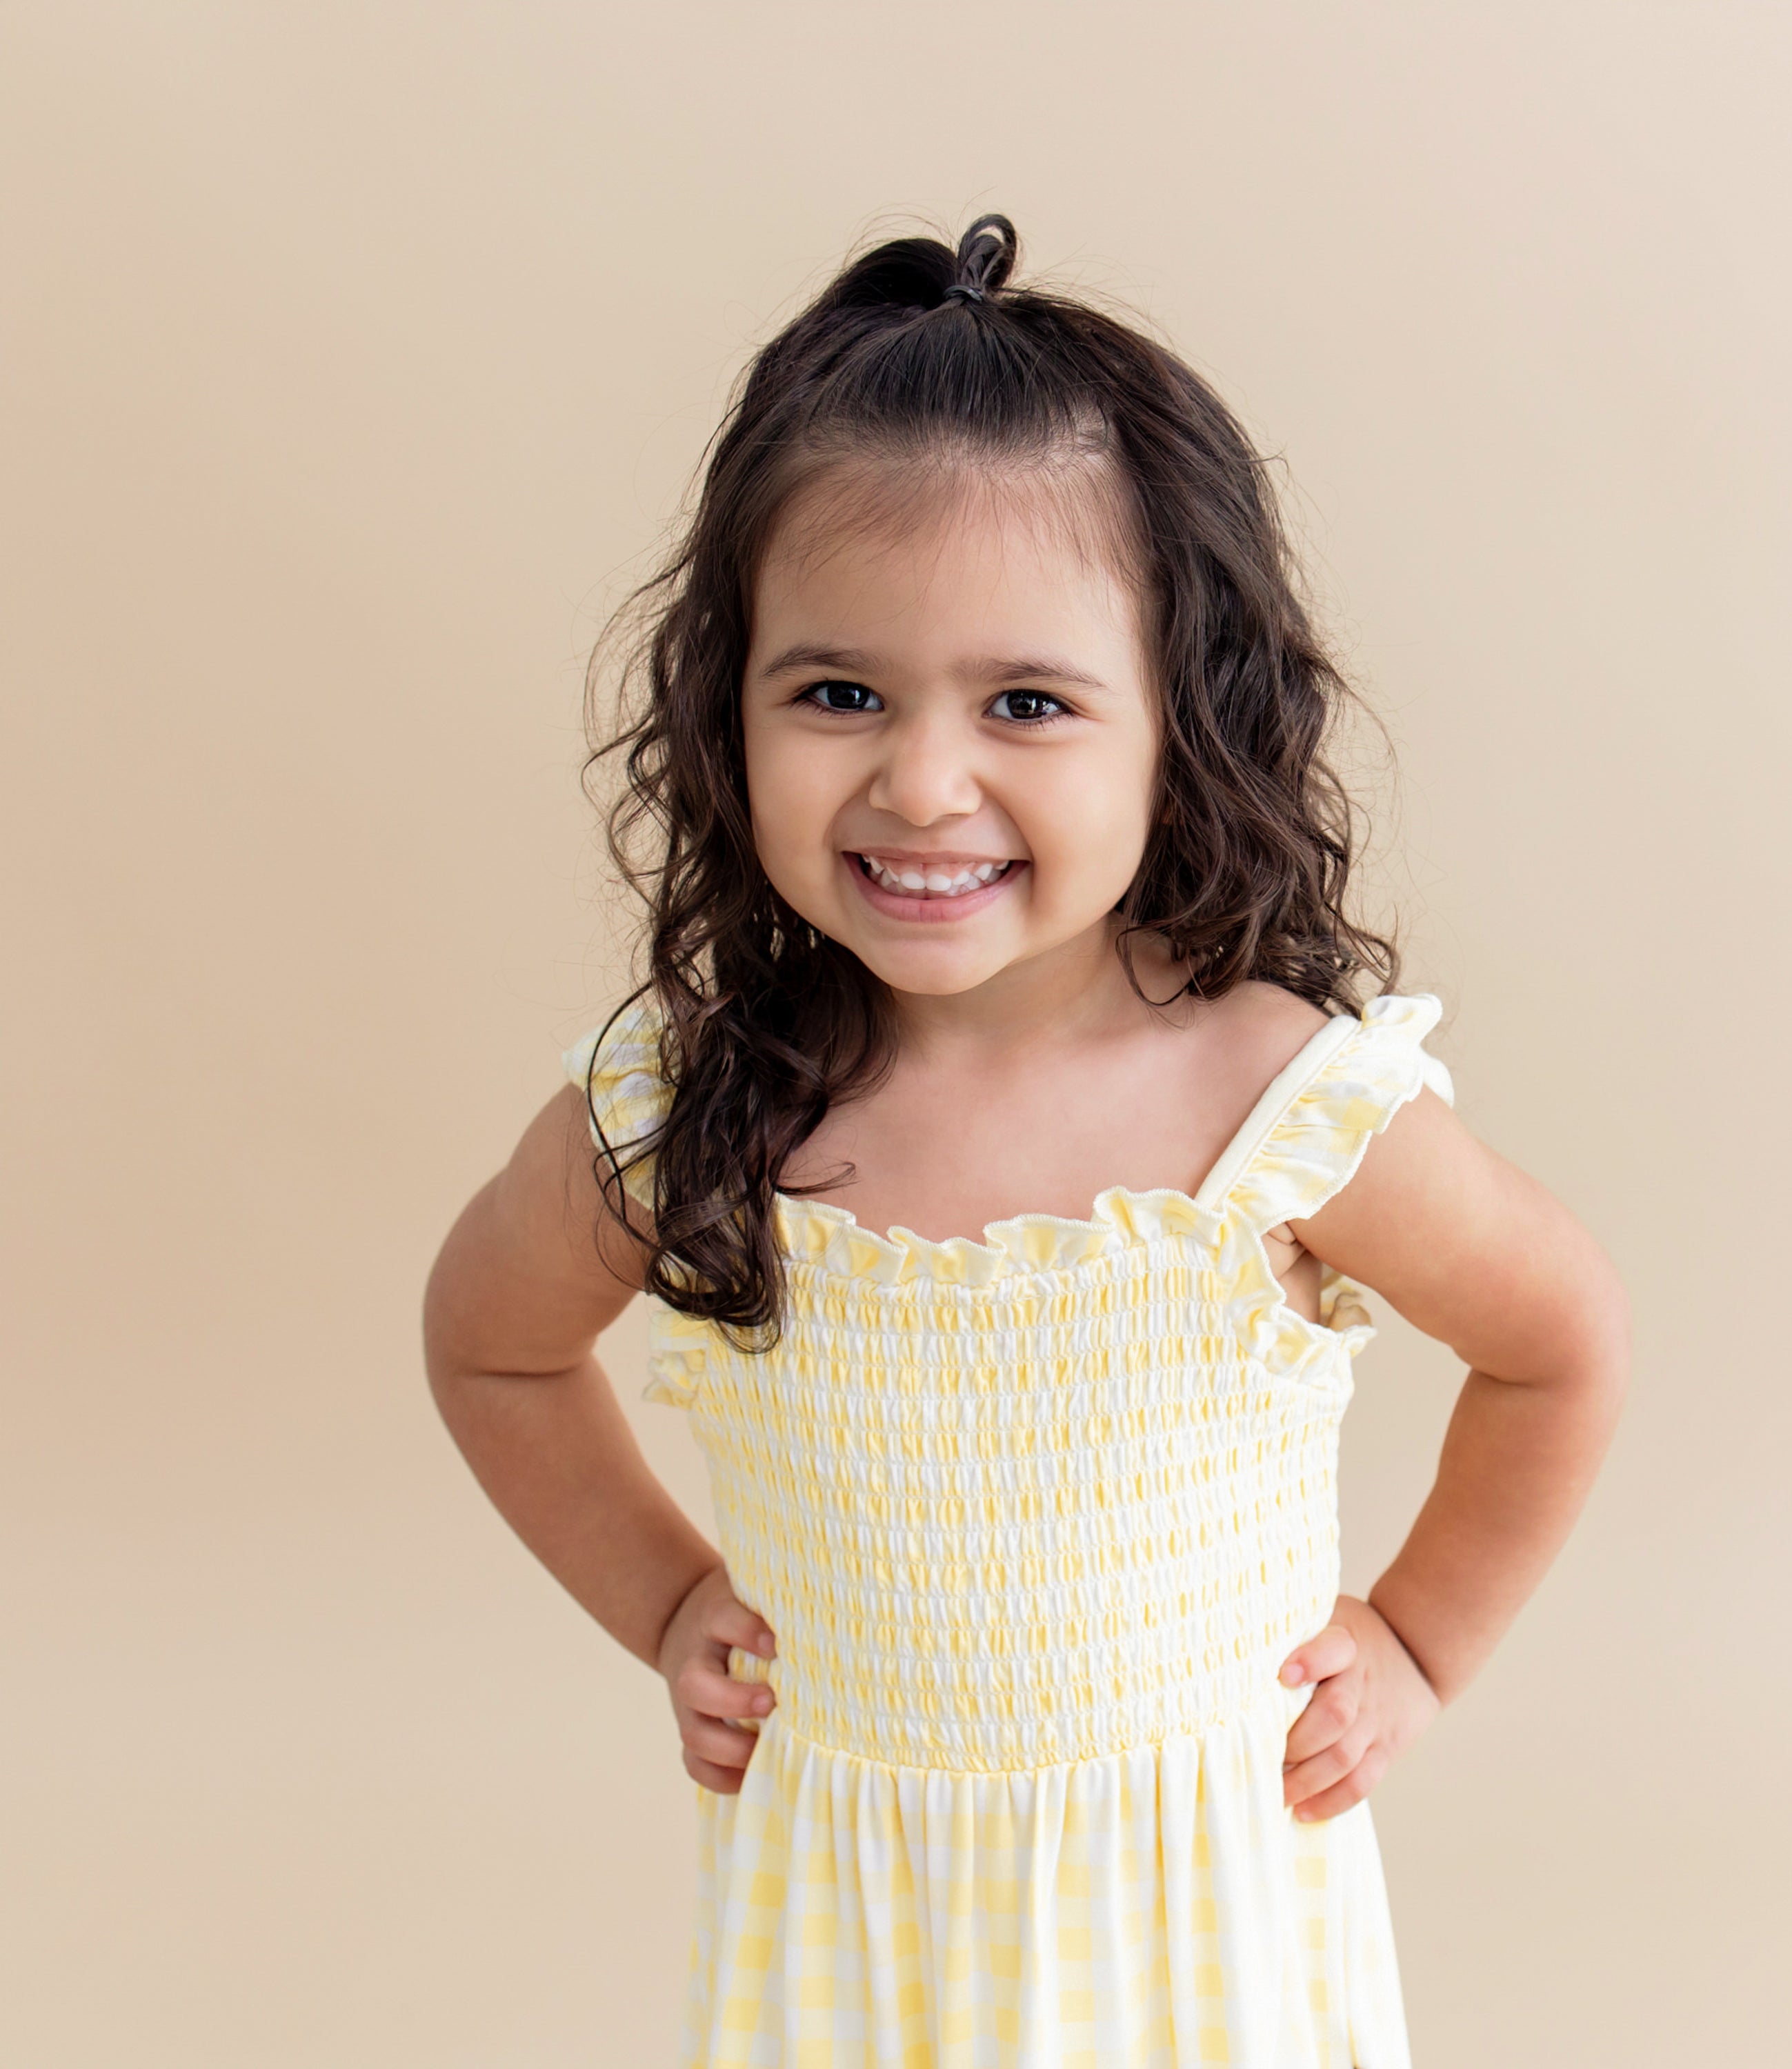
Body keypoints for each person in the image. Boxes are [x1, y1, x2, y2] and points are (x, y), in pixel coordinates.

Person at [422, 212, 1629, 2068]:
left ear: (1179, 725)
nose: (920, 781)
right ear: (725, 705)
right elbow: (491, 1339)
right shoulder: (690, 1111)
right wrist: (668, 1603)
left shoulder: (1275, 1110)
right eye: (837, 694)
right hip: (855, 1931)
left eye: (1028, 705)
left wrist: (1420, 1644)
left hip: (1204, 1931)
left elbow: (1556, 1343)